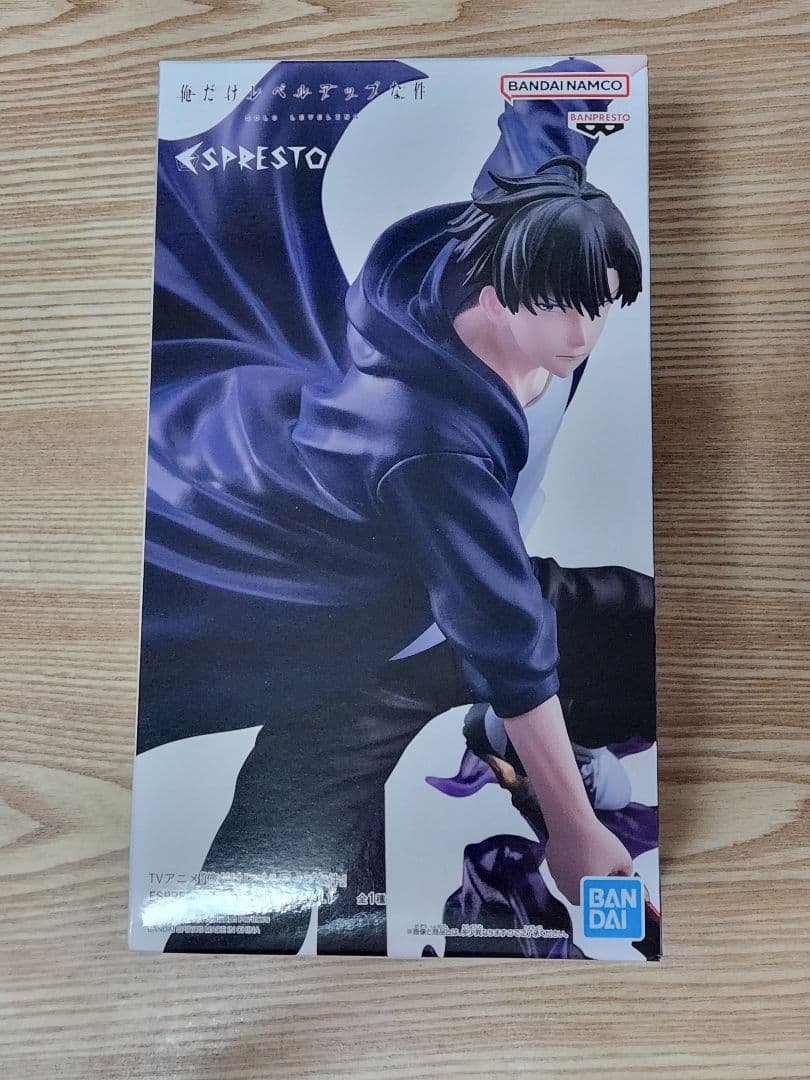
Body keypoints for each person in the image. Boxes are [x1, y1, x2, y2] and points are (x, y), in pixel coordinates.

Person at [137, 58, 653, 952]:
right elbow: (504, 632)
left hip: (460, 586)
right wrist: (574, 830)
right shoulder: (425, 438)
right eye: (559, 307)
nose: (580, 335)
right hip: (349, 645)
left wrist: (584, 80)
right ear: (496, 287)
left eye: (601, 306)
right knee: (254, 910)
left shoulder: (521, 230)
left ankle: (512, 737)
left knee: (656, 633)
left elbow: (541, 129)